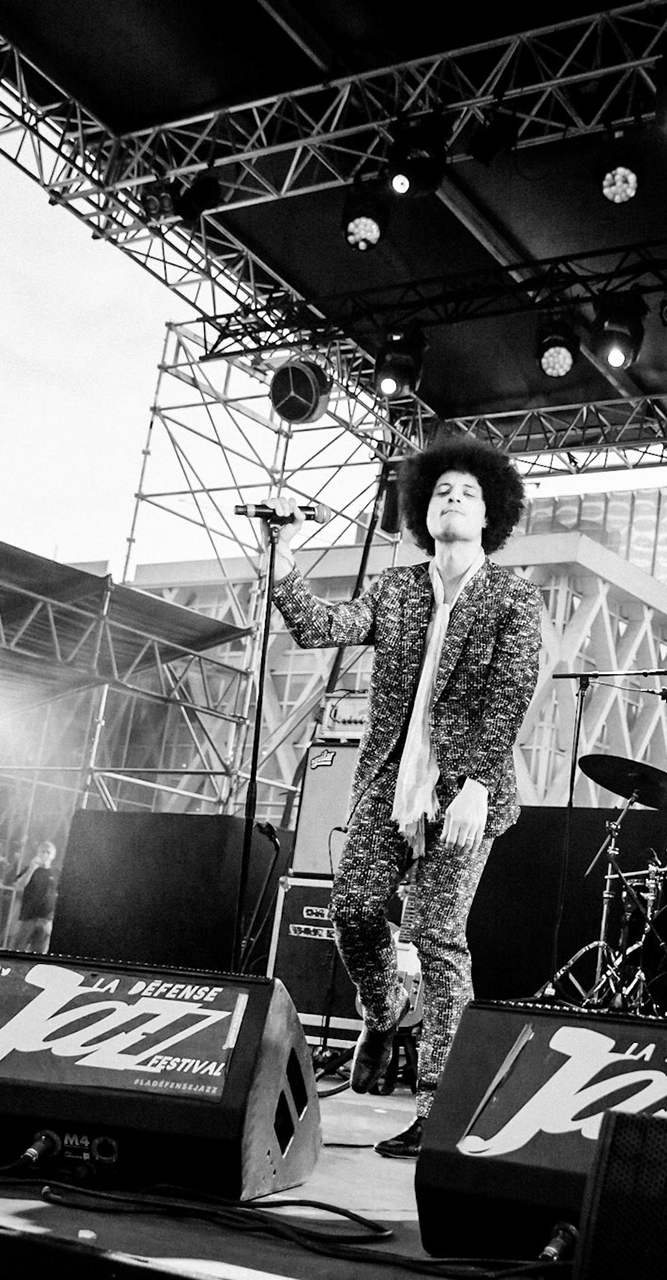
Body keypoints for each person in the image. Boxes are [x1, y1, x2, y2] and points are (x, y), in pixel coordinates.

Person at [271, 436, 544, 1159]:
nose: (452, 498)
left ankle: (440, 1111)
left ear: (492, 514)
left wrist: (479, 785)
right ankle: (386, 1006)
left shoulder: (511, 594)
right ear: (422, 511)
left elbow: (509, 692)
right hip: (390, 786)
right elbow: (319, 627)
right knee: (355, 909)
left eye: (468, 492)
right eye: (440, 491)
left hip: (466, 796)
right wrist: (282, 560)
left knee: (437, 940)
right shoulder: (396, 589)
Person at [5, 841, 58, 953]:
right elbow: (19, 885)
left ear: (53, 856)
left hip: (46, 919)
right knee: (18, 949)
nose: (45, 855)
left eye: (48, 852)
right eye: (42, 851)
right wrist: (31, 869)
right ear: (38, 853)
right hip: (28, 917)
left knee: (41, 952)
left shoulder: (55, 873)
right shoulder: (30, 869)